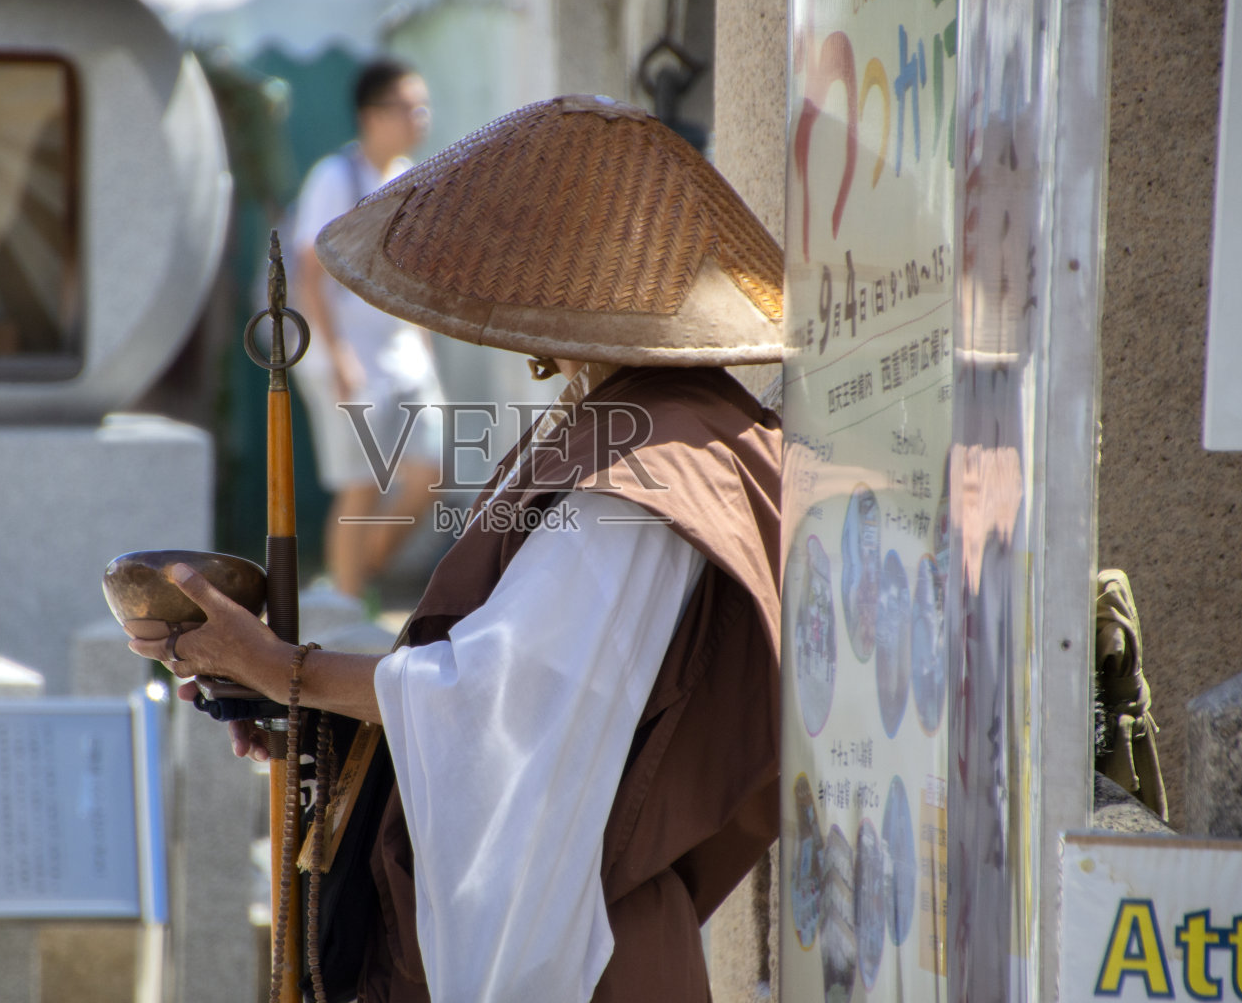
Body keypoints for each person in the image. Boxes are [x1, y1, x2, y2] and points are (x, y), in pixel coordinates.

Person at [130, 95, 785, 1002]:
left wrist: (281, 665)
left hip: (587, 956)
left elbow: (495, 700)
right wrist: (299, 706)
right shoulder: (629, 424)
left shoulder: (650, 459)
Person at [292, 58, 445, 598]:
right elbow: (310, 274)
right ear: (371, 115)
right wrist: (338, 358)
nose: (420, 117)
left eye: (422, 105)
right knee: (360, 485)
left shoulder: (408, 178)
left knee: (430, 474)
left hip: (403, 352)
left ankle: (356, 579)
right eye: (408, 106)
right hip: (348, 353)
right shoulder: (334, 178)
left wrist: (424, 347)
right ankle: (345, 619)